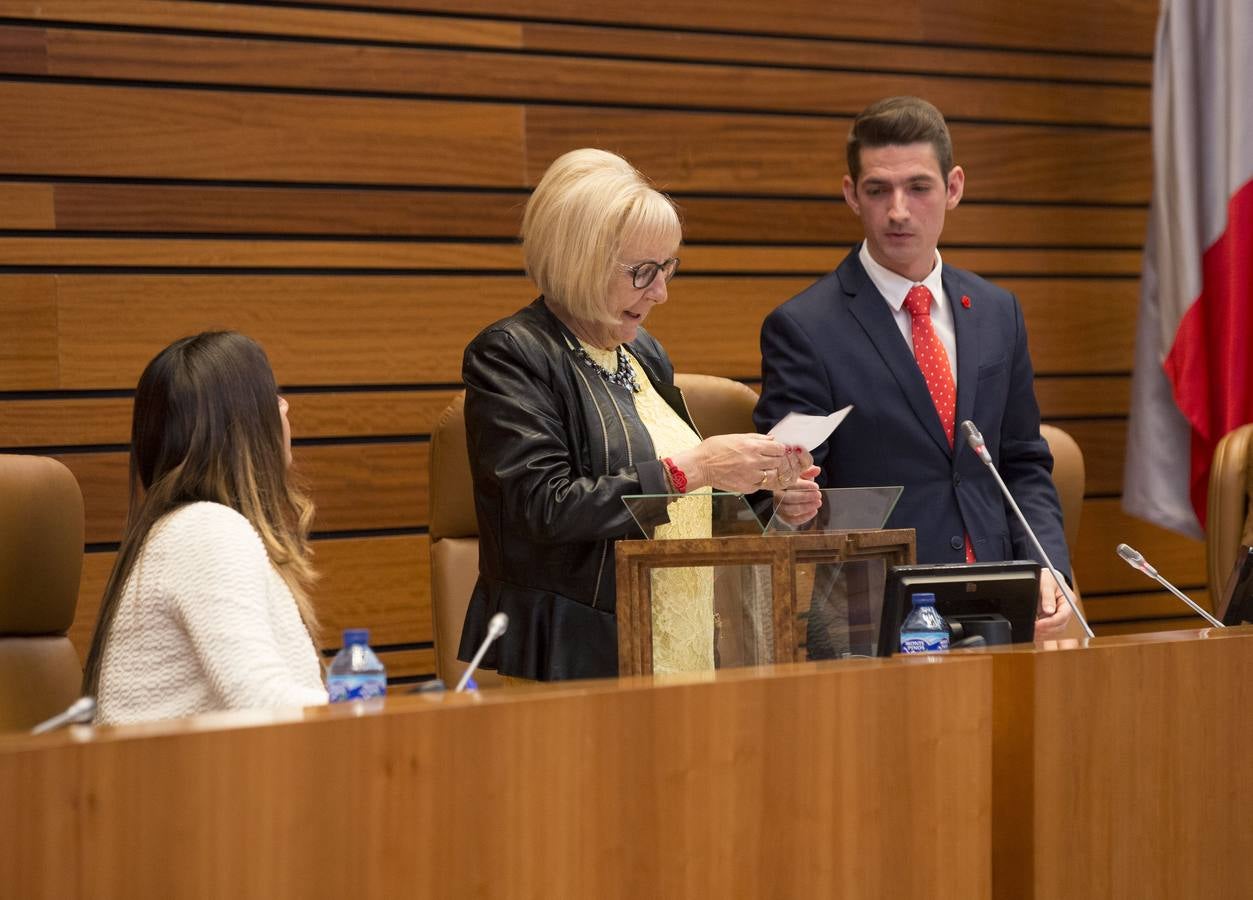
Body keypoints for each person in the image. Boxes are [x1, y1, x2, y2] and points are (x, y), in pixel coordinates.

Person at [458, 148, 820, 681]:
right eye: (642, 272)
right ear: (578, 260)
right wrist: (697, 466)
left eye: (667, 267)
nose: (661, 292)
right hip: (581, 657)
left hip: (683, 636)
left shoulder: (644, 353)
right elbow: (542, 508)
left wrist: (771, 506)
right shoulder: (512, 354)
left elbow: (677, 512)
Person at [754, 96, 1072, 639]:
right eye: (879, 190)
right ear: (853, 195)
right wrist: (787, 495)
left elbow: (1021, 463)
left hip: (1002, 604)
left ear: (953, 187)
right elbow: (781, 491)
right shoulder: (805, 328)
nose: (899, 211)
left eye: (919, 188)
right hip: (876, 618)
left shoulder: (998, 313)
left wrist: (1050, 567)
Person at [83, 331, 328, 725]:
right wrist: (375, 713)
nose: (284, 406)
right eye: (271, 395)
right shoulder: (207, 531)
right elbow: (262, 701)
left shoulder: (186, 528)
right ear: (242, 424)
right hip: (184, 782)